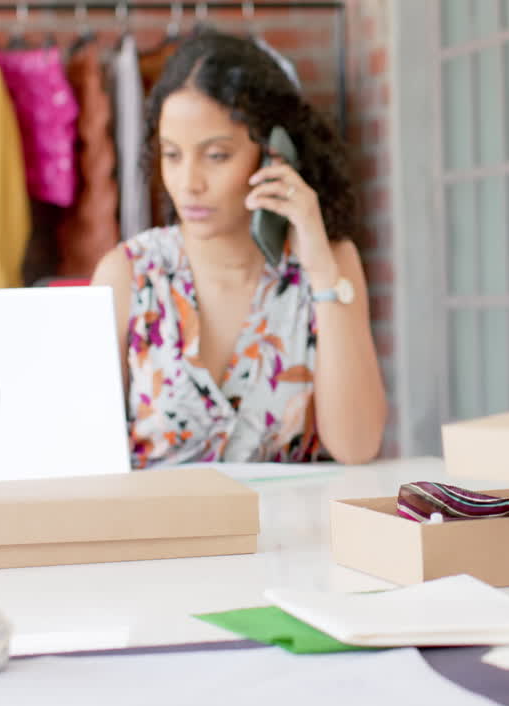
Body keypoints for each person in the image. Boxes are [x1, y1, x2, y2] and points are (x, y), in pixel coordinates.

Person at [92, 30, 386, 468]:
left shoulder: (330, 264)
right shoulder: (130, 274)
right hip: (162, 535)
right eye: (172, 155)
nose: (188, 182)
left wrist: (322, 271)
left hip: (294, 535)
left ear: (273, 154)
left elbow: (357, 446)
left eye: (216, 156)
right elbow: (84, 457)